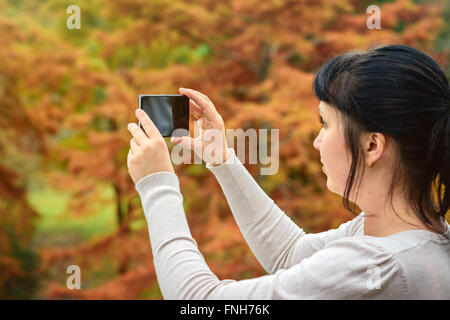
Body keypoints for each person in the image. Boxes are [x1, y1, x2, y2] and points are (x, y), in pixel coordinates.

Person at [126, 44, 450, 299]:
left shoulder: (376, 264)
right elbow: (289, 254)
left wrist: (158, 185)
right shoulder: (415, 233)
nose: (317, 141)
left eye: (325, 123)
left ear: (372, 146)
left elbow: (198, 301)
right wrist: (223, 159)